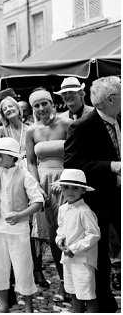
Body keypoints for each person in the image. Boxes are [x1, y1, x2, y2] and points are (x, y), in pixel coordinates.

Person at [64, 76, 121, 312]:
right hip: (102, 200)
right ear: (111, 99)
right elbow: (72, 164)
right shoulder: (82, 127)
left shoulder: (119, 118)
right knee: (101, 257)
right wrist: (111, 166)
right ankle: (105, 305)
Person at [0, 137, 44, 312]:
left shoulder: (24, 175)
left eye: (0, 155)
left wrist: (21, 215)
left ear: (12, 157)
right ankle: (5, 303)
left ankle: (29, 305)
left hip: (18, 230)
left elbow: (38, 202)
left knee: (23, 267)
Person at [25, 88, 71, 299]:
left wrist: (66, 179)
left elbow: (74, 154)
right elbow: (31, 162)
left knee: (70, 229)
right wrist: (36, 188)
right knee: (53, 233)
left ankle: (74, 278)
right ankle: (63, 280)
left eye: (45, 103)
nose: (41, 108)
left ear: (53, 103)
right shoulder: (31, 131)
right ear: (33, 108)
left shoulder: (66, 124)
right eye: (36, 105)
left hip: (66, 181)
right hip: (43, 184)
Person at [55, 169, 101, 313]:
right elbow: (61, 229)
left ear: (83, 191)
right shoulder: (62, 209)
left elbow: (93, 235)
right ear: (61, 189)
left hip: (83, 260)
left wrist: (74, 248)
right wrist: (60, 241)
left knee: (87, 292)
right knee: (73, 290)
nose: (70, 191)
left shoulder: (85, 211)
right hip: (68, 258)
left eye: (75, 188)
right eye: (66, 187)